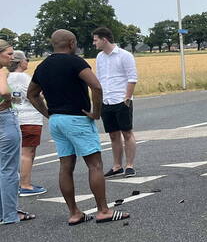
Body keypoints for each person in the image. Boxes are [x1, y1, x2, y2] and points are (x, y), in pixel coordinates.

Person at [26, 30, 129, 225]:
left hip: (57, 120)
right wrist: (96, 112)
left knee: (66, 166)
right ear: (71, 43)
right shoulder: (76, 62)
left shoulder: (42, 66)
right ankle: (103, 211)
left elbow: (32, 94)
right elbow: (96, 86)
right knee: (95, 164)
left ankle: (74, 213)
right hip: (77, 118)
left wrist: (48, 113)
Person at [92, 27, 138, 177]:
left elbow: (132, 78)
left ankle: (130, 165)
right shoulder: (100, 57)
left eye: (95, 39)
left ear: (104, 39)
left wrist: (127, 98)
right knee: (113, 134)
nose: (94, 43)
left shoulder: (125, 55)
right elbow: (99, 79)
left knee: (127, 132)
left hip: (121, 99)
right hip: (107, 100)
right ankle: (117, 166)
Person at [0, 40, 35, 224]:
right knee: (9, 170)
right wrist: (9, 100)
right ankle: (10, 214)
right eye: (8, 53)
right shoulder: (2, 71)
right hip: (5, 119)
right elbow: (5, 91)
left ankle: (2, 212)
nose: (12, 57)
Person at [7, 50, 47, 196]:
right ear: (19, 62)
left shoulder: (8, 77)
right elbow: (33, 95)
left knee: (20, 153)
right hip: (30, 118)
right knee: (28, 152)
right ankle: (25, 184)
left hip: (15, 116)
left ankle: (20, 183)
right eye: (26, 59)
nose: (27, 62)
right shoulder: (24, 78)